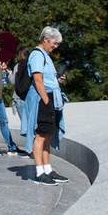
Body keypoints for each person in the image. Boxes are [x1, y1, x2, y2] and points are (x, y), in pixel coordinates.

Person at [28, 27, 69, 186]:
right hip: (44, 99)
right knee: (41, 135)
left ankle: (48, 169)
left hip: (51, 97)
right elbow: (38, 80)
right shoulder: (37, 55)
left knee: (48, 134)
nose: (56, 46)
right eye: (55, 42)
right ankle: (39, 172)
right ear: (45, 38)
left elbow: (46, 79)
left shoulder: (45, 56)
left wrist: (58, 81)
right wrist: (46, 101)